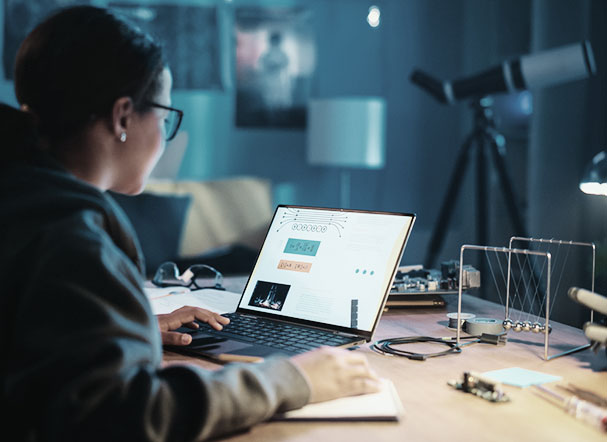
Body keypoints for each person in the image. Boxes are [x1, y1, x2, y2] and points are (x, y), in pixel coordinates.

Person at [0, 6, 379, 442]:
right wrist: (291, 379)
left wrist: (129, 323)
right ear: (123, 117)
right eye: (164, 117)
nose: (164, 135)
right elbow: (125, 417)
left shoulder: (21, 195)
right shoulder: (67, 236)